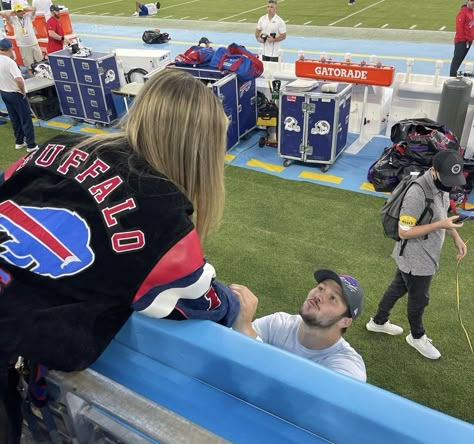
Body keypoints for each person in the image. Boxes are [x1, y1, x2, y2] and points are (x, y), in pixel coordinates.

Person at [0, 68, 240, 442]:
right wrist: (238, 304)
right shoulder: (162, 216)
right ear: (203, 150)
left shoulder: (59, 145)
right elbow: (203, 302)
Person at [367, 150, 467, 359]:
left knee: (397, 287)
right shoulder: (417, 193)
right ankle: (416, 336)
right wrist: (440, 225)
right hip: (416, 258)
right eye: (447, 179)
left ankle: (377, 322)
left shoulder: (443, 185)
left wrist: (456, 237)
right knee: (419, 299)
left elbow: (442, 213)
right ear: (434, 171)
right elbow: (404, 232)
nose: (450, 185)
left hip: (420, 255)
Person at [231, 268, 367, 382]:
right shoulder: (278, 323)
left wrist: (245, 329)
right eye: (320, 288)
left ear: (345, 321)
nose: (318, 296)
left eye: (333, 298)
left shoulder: (348, 367)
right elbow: (234, 353)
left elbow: (302, 398)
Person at [0, 38, 38, 152]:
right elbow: (19, 80)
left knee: (14, 118)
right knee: (25, 118)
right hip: (16, 93)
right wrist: (22, 91)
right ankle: (31, 145)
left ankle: (19, 141)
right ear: (9, 49)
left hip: (4, 93)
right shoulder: (10, 62)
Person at [1, 4, 43, 73]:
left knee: (41, 62)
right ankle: (33, 80)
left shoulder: (28, 16)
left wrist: (24, 9)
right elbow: (6, 14)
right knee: (29, 66)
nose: (20, 12)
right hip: (23, 46)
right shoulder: (13, 20)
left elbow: (34, 8)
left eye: (21, 11)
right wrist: (14, 11)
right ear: (16, 13)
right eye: (18, 11)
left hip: (34, 43)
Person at [449, 1, 474, 77]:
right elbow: (459, 28)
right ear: (467, 2)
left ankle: (454, 75)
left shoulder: (472, 12)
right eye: (472, 1)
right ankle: (452, 76)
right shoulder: (462, 13)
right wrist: (464, 40)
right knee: (457, 60)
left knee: (460, 59)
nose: (473, 3)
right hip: (461, 41)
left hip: (468, 41)